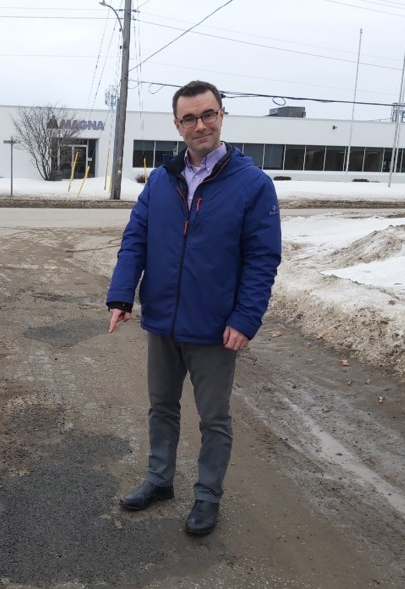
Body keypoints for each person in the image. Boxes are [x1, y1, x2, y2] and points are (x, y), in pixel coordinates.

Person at [105, 79, 282, 536]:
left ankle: (207, 497)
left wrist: (245, 319)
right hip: (163, 320)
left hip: (215, 328)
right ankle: (159, 480)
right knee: (161, 407)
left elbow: (263, 259)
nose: (200, 124)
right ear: (177, 125)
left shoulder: (253, 185)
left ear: (222, 115)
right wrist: (122, 296)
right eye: (190, 118)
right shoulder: (161, 181)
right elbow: (136, 240)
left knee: (214, 419)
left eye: (208, 114)